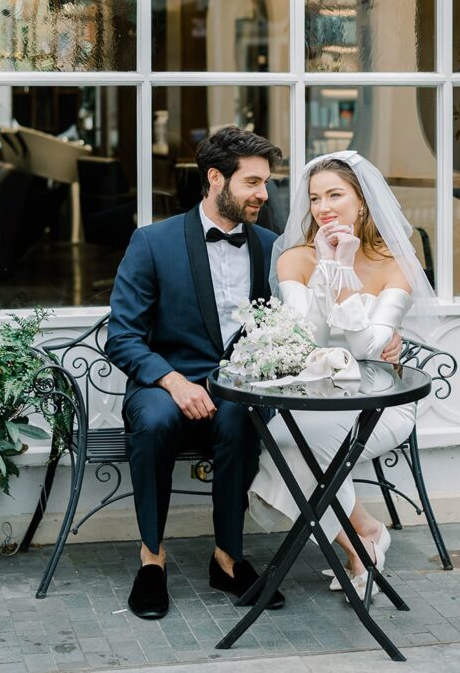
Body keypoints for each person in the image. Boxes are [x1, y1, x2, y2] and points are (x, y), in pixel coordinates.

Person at [105, 126, 286, 620]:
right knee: (157, 421)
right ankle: (152, 559)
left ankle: (227, 558)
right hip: (165, 382)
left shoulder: (272, 248)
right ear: (215, 178)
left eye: (266, 183)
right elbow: (120, 336)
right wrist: (173, 380)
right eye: (252, 182)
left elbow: (292, 325)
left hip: (236, 388)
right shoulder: (152, 242)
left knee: (241, 416)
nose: (263, 194)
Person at [248, 150, 437, 597]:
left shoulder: (396, 264)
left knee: (298, 444)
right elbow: (306, 339)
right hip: (312, 396)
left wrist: (345, 272)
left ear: (363, 202)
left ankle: (359, 538)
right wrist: (329, 267)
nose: (323, 207)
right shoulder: (295, 259)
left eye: (335, 194)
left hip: (378, 404)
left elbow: (370, 348)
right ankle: (362, 537)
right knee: (292, 436)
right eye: (315, 198)